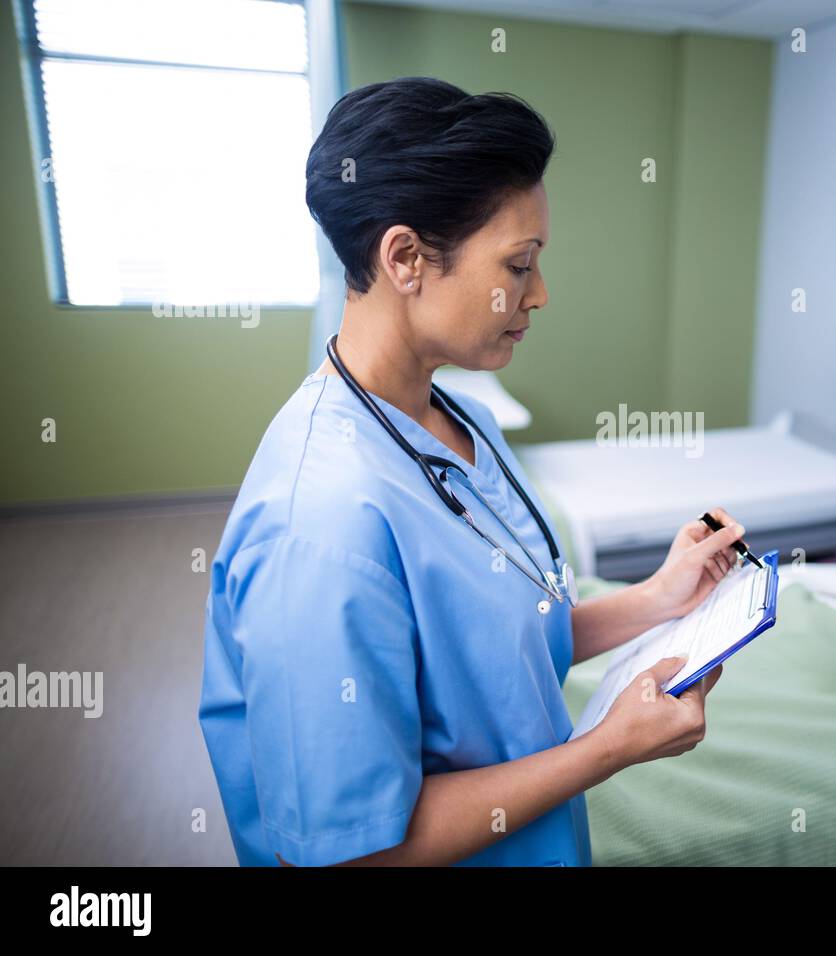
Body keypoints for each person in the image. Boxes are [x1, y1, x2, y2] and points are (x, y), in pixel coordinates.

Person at [198, 77, 748, 866]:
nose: (541, 293)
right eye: (519, 265)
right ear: (406, 259)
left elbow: (494, 644)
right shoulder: (318, 523)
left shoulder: (464, 422)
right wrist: (608, 746)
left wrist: (659, 601)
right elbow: (348, 854)